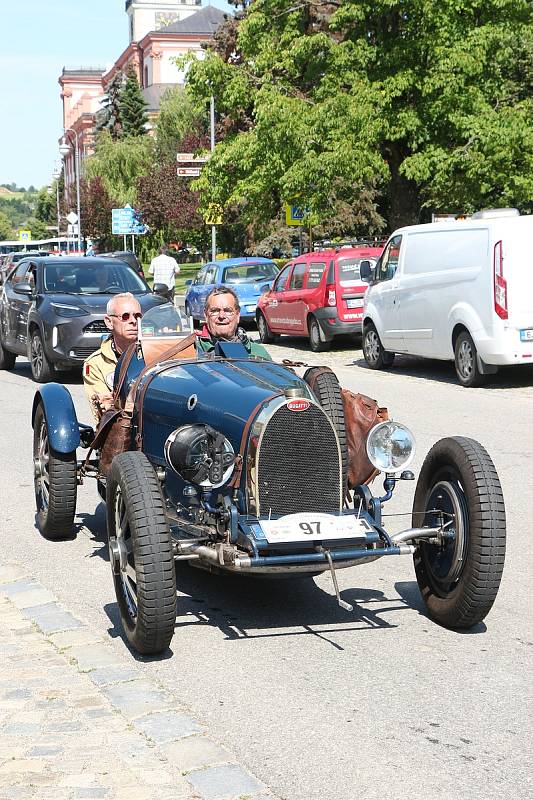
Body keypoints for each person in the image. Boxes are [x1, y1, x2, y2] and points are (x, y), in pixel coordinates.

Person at [83, 292, 142, 422]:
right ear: (109, 322)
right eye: (125, 316)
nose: (133, 321)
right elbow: (102, 412)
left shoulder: (153, 352)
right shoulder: (95, 364)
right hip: (118, 430)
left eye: (137, 316)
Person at [196, 286, 271, 359]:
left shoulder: (258, 354)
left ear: (238, 314)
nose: (221, 316)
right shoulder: (191, 353)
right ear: (206, 315)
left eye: (228, 311)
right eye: (215, 311)